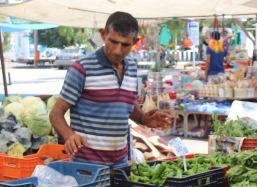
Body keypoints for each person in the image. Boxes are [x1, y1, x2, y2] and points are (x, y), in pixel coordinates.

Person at [49, 11, 171, 167]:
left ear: (135, 41)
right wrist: (69, 135)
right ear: (103, 34)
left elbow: (126, 106)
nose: (118, 50)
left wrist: (143, 118)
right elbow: (55, 113)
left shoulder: (132, 68)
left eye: (125, 44)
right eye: (113, 41)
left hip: (120, 163)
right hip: (87, 167)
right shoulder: (82, 68)